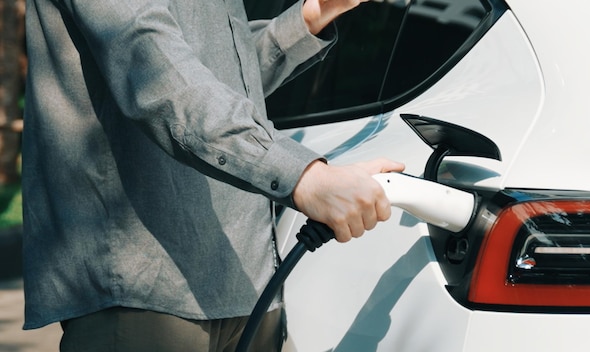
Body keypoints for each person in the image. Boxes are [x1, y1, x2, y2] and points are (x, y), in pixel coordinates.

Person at [22, 0, 405, 350]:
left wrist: (308, 18)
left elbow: (221, 87)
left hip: (247, 283)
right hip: (146, 293)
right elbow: (162, 81)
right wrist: (303, 177)